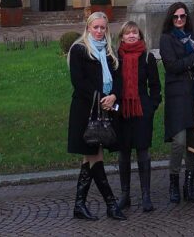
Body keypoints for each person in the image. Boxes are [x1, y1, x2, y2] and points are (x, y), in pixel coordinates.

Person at [67, 12, 126, 221]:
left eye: (103, 27)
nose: (99, 31)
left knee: (90, 156)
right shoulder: (79, 49)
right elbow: (79, 82)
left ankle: (79, 205)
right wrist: (102, 99)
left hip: (105, 109)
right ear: (88, 28)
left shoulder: (110, 51)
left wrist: (114, 96)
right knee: (95, 156)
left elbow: (118, 78)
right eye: (96, 27)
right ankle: (111, 204)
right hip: (86, 111)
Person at [158, 2, 194, 203]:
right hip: (177, 96)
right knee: (179, 141)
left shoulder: (193, 37)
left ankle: (189, 184)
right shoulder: (166, 39)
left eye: (182, 16)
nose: (179, 20)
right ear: (171, 18)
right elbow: (173, 66)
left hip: (193, 94)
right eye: (175, 17)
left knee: (193, 142)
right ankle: (174, 182)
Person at [115, 21, 162, 213]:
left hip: (142, 109)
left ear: (140, 36)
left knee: (143, 151)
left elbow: (155, 86)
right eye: (128, 33)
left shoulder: (147, 57)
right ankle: (125, 194)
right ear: (122, 37)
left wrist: (152, 106)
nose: (131, 36)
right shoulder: (115, 57)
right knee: (123, 152)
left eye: (135, 33)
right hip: (121, 110)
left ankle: (146, 195)